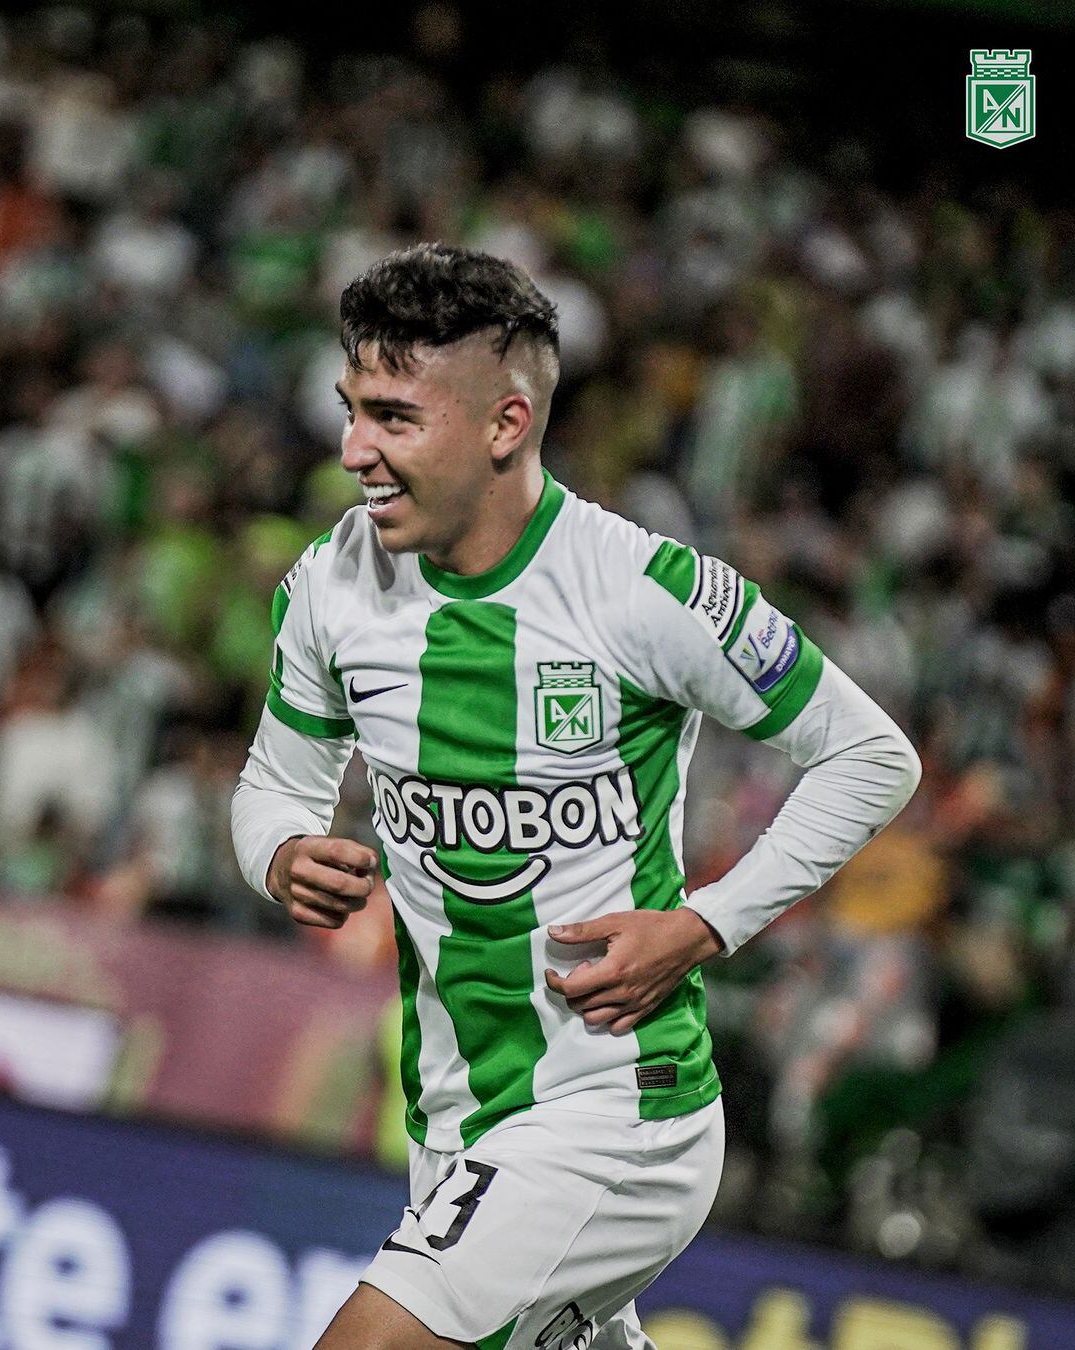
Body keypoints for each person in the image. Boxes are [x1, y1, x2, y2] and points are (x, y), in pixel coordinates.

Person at [230, 242, 921, 1350]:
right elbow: (273, 785)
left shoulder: (641, 590)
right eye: (350, 408)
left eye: (395, 418)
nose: (354, 449)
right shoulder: (332, 584)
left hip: (617, 1113)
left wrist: (704, 925)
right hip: (458, 1118)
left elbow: (872, 756)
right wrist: (278, 851)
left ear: (506, 425)